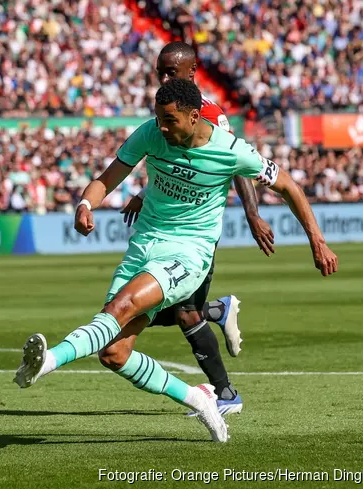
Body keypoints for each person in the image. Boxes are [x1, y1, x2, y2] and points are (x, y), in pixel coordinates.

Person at [14, 79, 338, 443]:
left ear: (195, 115)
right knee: (114, 353)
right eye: (159, 120)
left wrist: (317, 242)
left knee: (123, 305)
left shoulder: (231, 150)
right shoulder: (151, 133)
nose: (163, 128)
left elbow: (290, 187)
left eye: (170, 121)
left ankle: (48, 361)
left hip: (189, 253)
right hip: (144, 246)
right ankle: (198, 398)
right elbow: (107, 179)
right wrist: (86, 204)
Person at [119, 41, 274, 414]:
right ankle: (217, 315)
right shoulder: (168, 107)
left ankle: (225, 395)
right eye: (160, 71)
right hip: (170, 226)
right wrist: (144, 191)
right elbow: (174, 163)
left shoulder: (210, 114)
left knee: (181, 312)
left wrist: (252, 214)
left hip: (196, 231)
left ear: (192, 72)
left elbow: (233, 162)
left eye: (171, 72)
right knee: (159, 312)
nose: (164, 78)